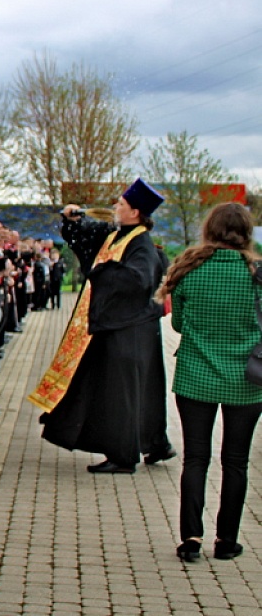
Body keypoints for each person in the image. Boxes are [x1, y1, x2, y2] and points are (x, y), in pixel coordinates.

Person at [33, 178, 174, 474]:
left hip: (129, 330)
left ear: (135, 212)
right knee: (129, 392)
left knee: (121, 394)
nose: (114, 207)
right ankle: (151, 443)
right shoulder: (120, 236)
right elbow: (87, 236)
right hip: (120, 328)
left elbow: (138, 280)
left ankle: (123, 455)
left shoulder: (141, 243)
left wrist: (102, 270)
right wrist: (72, 220)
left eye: (120, 204)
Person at [158, 202, 262, 562]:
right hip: (246, 382)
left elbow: (179, 324)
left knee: (195, 458)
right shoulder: (257, 274)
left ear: (210, 229)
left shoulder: (189, 268)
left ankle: (190, 539)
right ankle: (226, 541)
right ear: (246, 233)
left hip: (195, 376)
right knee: (236, 461)